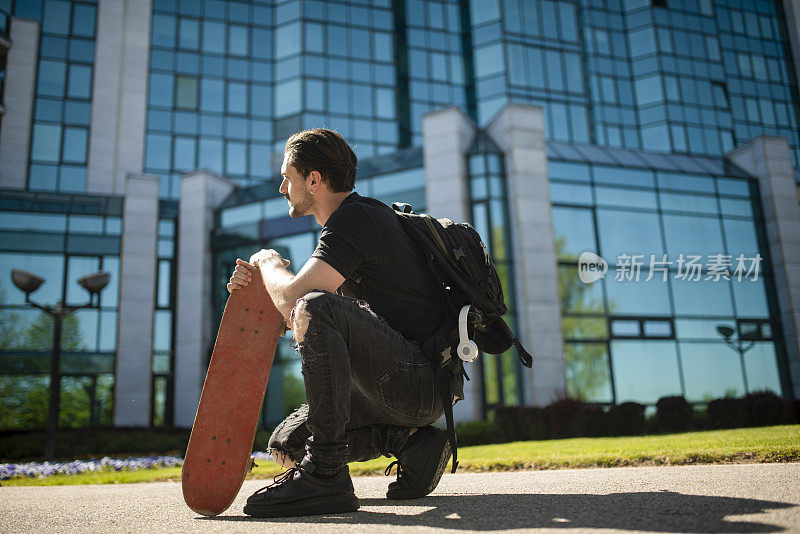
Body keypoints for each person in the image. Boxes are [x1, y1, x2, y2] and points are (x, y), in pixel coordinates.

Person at [226, 128, 459, 518]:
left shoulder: (357, 218)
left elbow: (300, 302)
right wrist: (253, 287)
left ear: (313, 180)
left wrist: (268, 262)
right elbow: (292, 316)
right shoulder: (357, 221)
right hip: (403, 384)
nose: (282, 187)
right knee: (286, 443)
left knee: (315, 305)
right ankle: (411, 444)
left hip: (415, 381)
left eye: (288, 176)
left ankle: (325, 474)